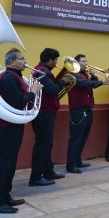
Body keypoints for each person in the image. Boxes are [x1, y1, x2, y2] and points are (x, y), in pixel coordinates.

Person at [0, 49, 43, 214]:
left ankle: (5, 195)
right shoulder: (8, 78)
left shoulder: (16, 77)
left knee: (10, 163)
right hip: (7, 126)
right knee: (4, 164)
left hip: (14, 124)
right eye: (22, 59)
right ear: (12, 61)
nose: (25, 61)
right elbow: (19, 102)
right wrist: (33, 91)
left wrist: (31, 91)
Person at [29, 48, 73, 187]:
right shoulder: (44, 73)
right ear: (49, 60)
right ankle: (36, 177)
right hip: (44, 112)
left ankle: (48, 171)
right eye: (55, 61)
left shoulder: (39, 70)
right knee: (42, 145)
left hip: (43, 111)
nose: (56, 64)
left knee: (47, 144)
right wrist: (63, 81)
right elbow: (52, 90)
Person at [66, 54, 109, 173]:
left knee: (83, 136)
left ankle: (77, 160)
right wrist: (101, 82)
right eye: (84, 61)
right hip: (78, 110)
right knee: (76, 138)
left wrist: (94, 77)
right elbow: (84, 84)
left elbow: (91, 85)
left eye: (86, 61)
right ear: (76, 63)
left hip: (87, 108)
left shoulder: (84, 75)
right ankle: (71, 165)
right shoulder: (73, 75)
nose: (86, 63)